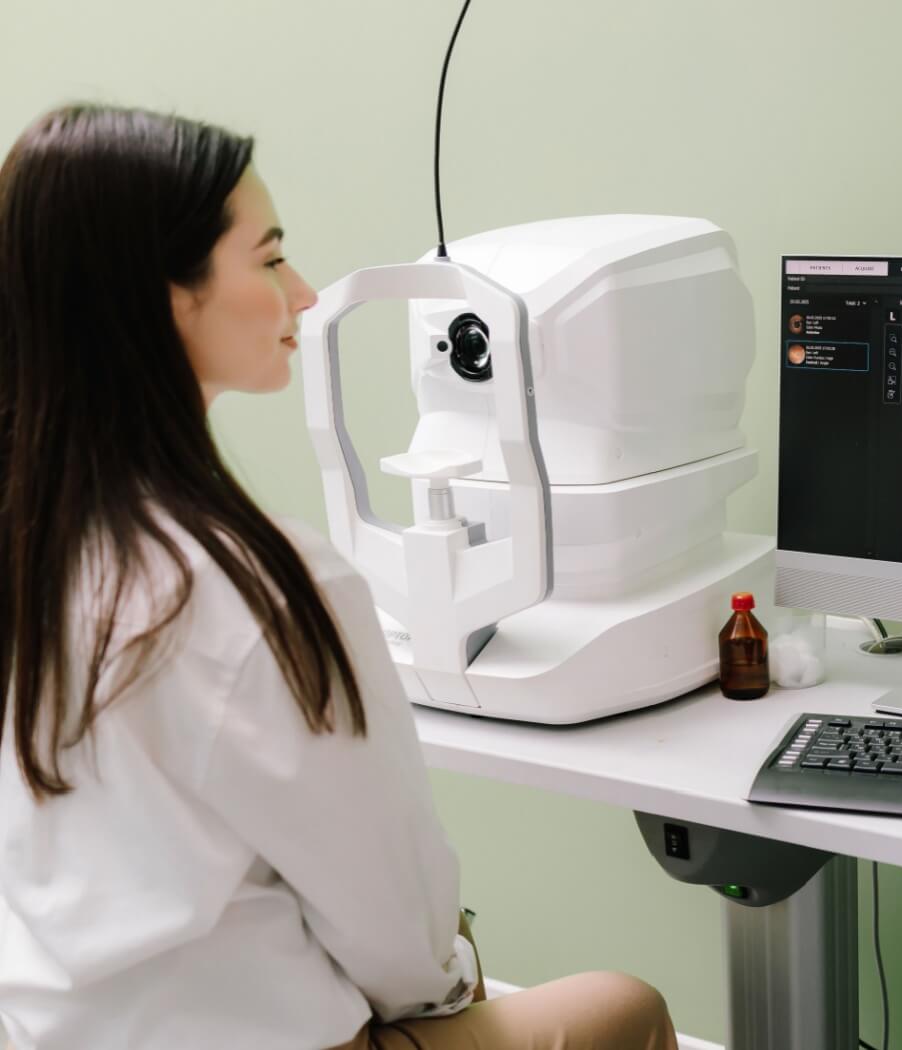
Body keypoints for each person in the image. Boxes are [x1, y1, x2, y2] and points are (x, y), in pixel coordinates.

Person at [0, 105, 677, 1050]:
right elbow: (397, 935)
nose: (307, 294)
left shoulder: (39, 545)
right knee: (623, 1006)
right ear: (164, 296)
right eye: (270, 258)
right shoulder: (258, 586)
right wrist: (453, 969)